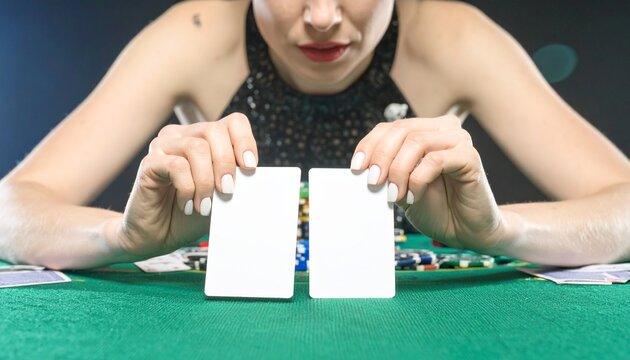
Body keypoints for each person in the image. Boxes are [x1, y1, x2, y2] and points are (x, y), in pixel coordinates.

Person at [1, 0, 629, 270]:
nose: (324, 17)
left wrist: (501, 232)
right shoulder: (194, 32)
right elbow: (11, 208)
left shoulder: (454, 37)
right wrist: (122, 235)